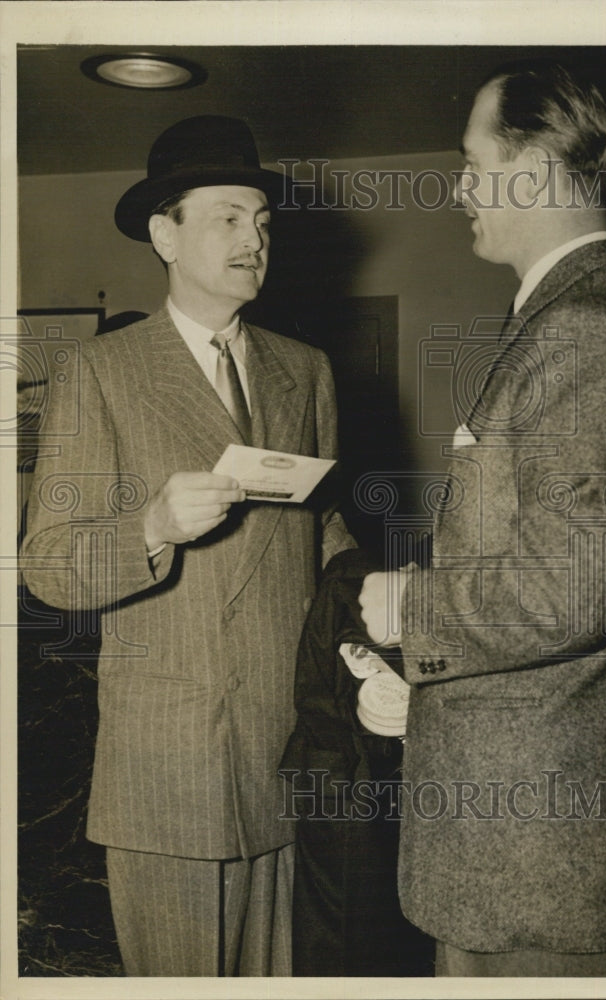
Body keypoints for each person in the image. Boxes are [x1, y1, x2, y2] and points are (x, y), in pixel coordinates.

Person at [360, 60, 606, 977]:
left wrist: (410, 607)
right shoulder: (560, 319)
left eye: (471, 161)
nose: (458, 187)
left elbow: (566, 592)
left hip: (539, 860)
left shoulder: (583, 334)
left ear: (532, 172)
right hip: (511, 850)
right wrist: (424, 693)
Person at [21, 115, 355, 977]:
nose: (255, 238)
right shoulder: (101, 372)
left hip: (286, 751)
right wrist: (151, 529)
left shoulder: (304, 369)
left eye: (263, 221)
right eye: (229, 218)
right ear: (165, 235)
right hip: (167, 771)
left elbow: (322, 535)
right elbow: (49, 563)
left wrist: (373, 610)